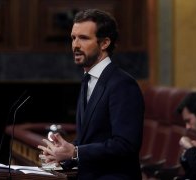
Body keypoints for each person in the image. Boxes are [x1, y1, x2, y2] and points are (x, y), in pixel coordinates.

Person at [37, 9, 145, 179]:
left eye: (84, 38)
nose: (75, 45)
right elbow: (90, 140)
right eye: (73, 38)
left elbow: (125, 145)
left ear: (104, 43)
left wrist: (75, 152)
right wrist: (63, 155)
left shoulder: (122, 84)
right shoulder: (88, 80)